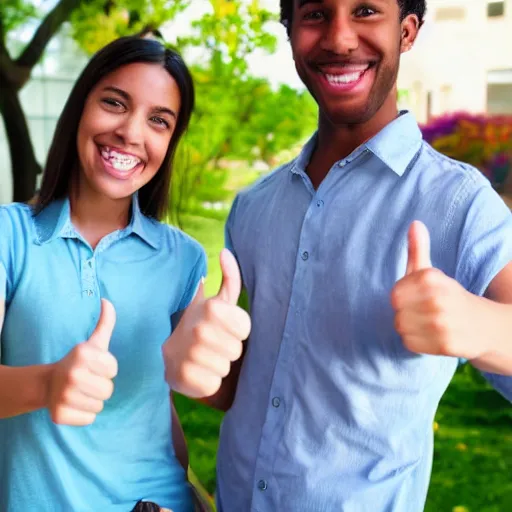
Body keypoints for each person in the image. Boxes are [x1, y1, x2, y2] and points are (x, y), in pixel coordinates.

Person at [163, 0, 512, 511]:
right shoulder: (254, 206)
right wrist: (196, 366)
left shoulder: (460, 203)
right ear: (290, 33)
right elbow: (258, 380)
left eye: (366, 10)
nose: (339, 38)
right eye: (316, 14)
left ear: (407, 32)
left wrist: (482, 327)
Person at [0, 36, 206, 511]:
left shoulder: (184, 259)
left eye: (159, 120)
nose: (132, 133)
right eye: (115, 103)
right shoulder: (9, 238)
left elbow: (158, 405)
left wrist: (192, 495)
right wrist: (49, 384)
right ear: (80, 108)